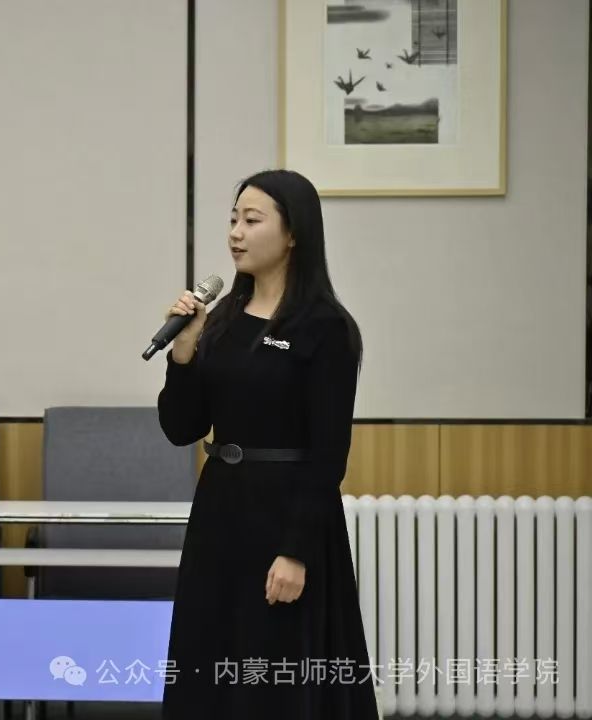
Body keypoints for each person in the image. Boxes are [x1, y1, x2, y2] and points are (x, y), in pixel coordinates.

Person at [158, 169, 379, 718]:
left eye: (252, 220)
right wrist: (182, 355)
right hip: (220, 508)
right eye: (233, 219)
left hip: (287, 518)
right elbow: (182, 428)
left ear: (294, 233)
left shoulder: (325, 327)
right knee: (210, 661)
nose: (235, 232)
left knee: (277, 672)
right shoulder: (223, 319)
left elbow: (328, 454)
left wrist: (296, 551)